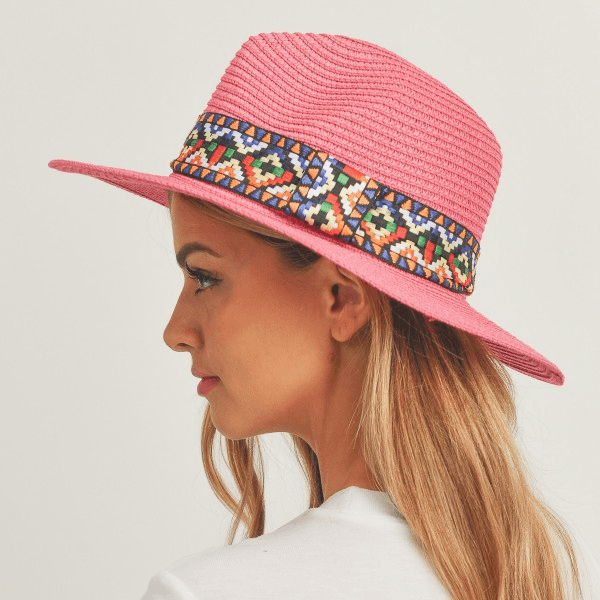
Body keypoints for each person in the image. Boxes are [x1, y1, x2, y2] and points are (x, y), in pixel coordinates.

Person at [48, 32, 599, 600]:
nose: (175, 332)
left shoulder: (204, 593)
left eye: (205, 277)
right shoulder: (528, 575)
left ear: (342, 300)